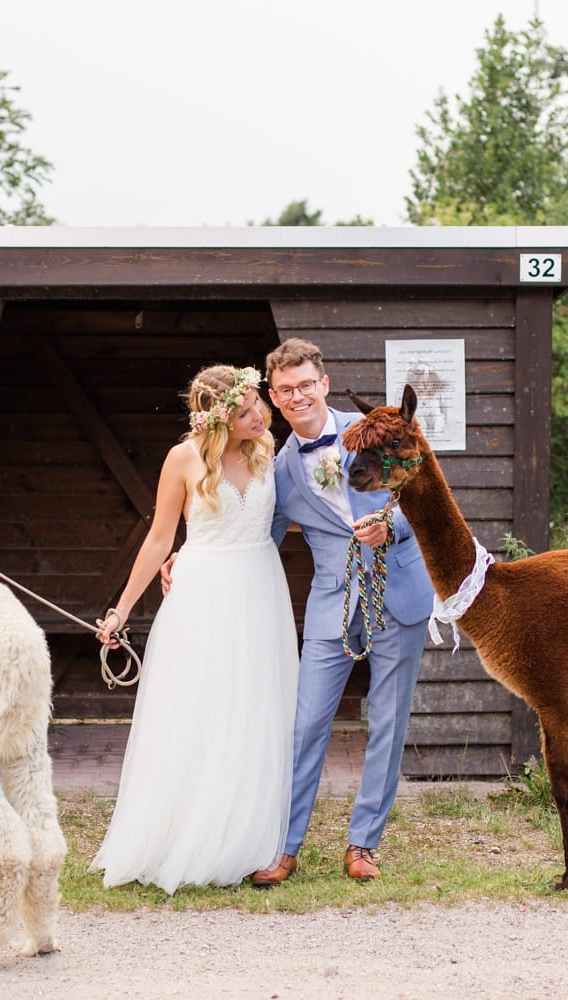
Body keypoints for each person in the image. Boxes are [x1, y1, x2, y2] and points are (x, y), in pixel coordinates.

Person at [90, 364, 300, 893]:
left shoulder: (267, 449)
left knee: (255, 708)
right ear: (217, 417)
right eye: (247, 409)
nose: (260, 414)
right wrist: (121, 610)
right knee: (202, 710)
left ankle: (249, 835)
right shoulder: (182, 460)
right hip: (204, 593)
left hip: (260, 590)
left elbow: (291, 516)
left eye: (258, 404)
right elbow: (160, 538)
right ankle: (190, 832)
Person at [249, 338, 434, 885]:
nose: (299, 395)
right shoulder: (278, 472)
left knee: (387, 722)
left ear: (324, 384)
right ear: (275, 399)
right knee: (306, 725)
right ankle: (284, 847)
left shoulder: (374, 430)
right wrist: (190, 563)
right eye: (287, 390)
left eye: (307, 384)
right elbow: (254, 540)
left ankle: (363, 844)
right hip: (332, 603)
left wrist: (391, 527)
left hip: (399, 593)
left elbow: (423, 499)